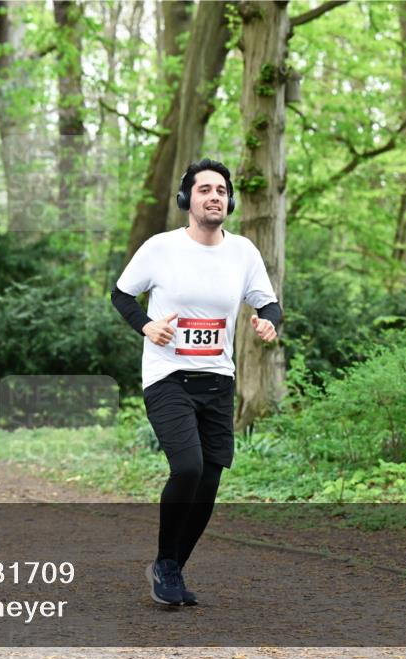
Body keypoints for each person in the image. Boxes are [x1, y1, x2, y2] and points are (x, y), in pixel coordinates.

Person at [111, 158, 282, 606]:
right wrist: (148, 326)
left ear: (229, 200)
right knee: (187, 467)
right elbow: (121, 294)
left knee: (208, 480)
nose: (215, 197)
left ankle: (170, 568)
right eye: (205, 189)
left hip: (218, 380)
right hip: (168, 377)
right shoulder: (161, 248)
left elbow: (269, 304)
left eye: (222, 190)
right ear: (188, 199)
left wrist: (268, 323)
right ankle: (167, 563)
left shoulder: (243, 251)